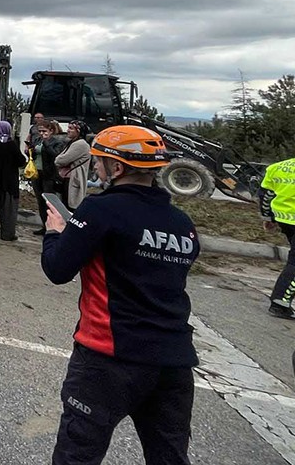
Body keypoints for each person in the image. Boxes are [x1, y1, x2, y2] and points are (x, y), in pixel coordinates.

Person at [41, 125, 198, 464]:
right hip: (173, 363)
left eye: (99, 161)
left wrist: (55, 233)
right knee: (169, 457)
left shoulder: (100, 210)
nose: (96, 167)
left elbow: (57, 269)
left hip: (107, 359)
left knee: (77, 455)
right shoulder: (182, 222)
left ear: (117, 167)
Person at [260, 156, 295, 318]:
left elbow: (265, 195)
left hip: (285, 220)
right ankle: (280, 303)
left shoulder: (279, 167)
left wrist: (268, 218)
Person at [33, 120, 69, 235]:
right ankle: (44, 225)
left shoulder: (56, 142)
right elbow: (34, 154)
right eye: (40, 131)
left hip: (49, 174)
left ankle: (52, 226)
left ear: (51, 131)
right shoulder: (37, 140)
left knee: (48, 201)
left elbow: (55, 155)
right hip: (37, 173)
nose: (42, 134)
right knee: (40, 201)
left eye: (44, 131)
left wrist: (46, 143)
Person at [55, 120, 92, 210]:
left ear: (78, 131)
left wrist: (60, 160)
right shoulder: (72, 143)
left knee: (69, 209)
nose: (68, 130)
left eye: (71, 128)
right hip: (68, 180)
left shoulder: (80, 144)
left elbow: (59, 160)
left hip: (72, 181)